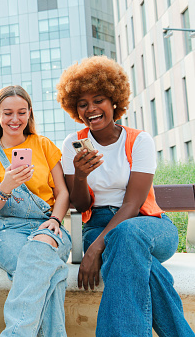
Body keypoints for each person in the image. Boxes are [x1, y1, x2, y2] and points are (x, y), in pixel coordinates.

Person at [57, 55, 195, 336]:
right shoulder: (72, 144)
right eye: (82, 104)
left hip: (150, 226)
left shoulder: (139, 140)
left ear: (114, 101)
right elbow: (80, 205)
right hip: (97, 225)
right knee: (144, 269)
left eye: (98, 100)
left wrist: (95, 248)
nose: (91, 109)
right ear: (75, 109)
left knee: (128, 235)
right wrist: (80, 175)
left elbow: (133, 204)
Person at [0, 85, 72, 336]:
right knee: (51, 274)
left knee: (39, 256)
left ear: (29, 114)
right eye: (7, 113)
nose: (15, 119)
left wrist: (55, 220)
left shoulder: (44, 145)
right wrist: (6, 185)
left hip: (47, 225)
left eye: (21, 112)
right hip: (6, 231)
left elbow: (63, 193)